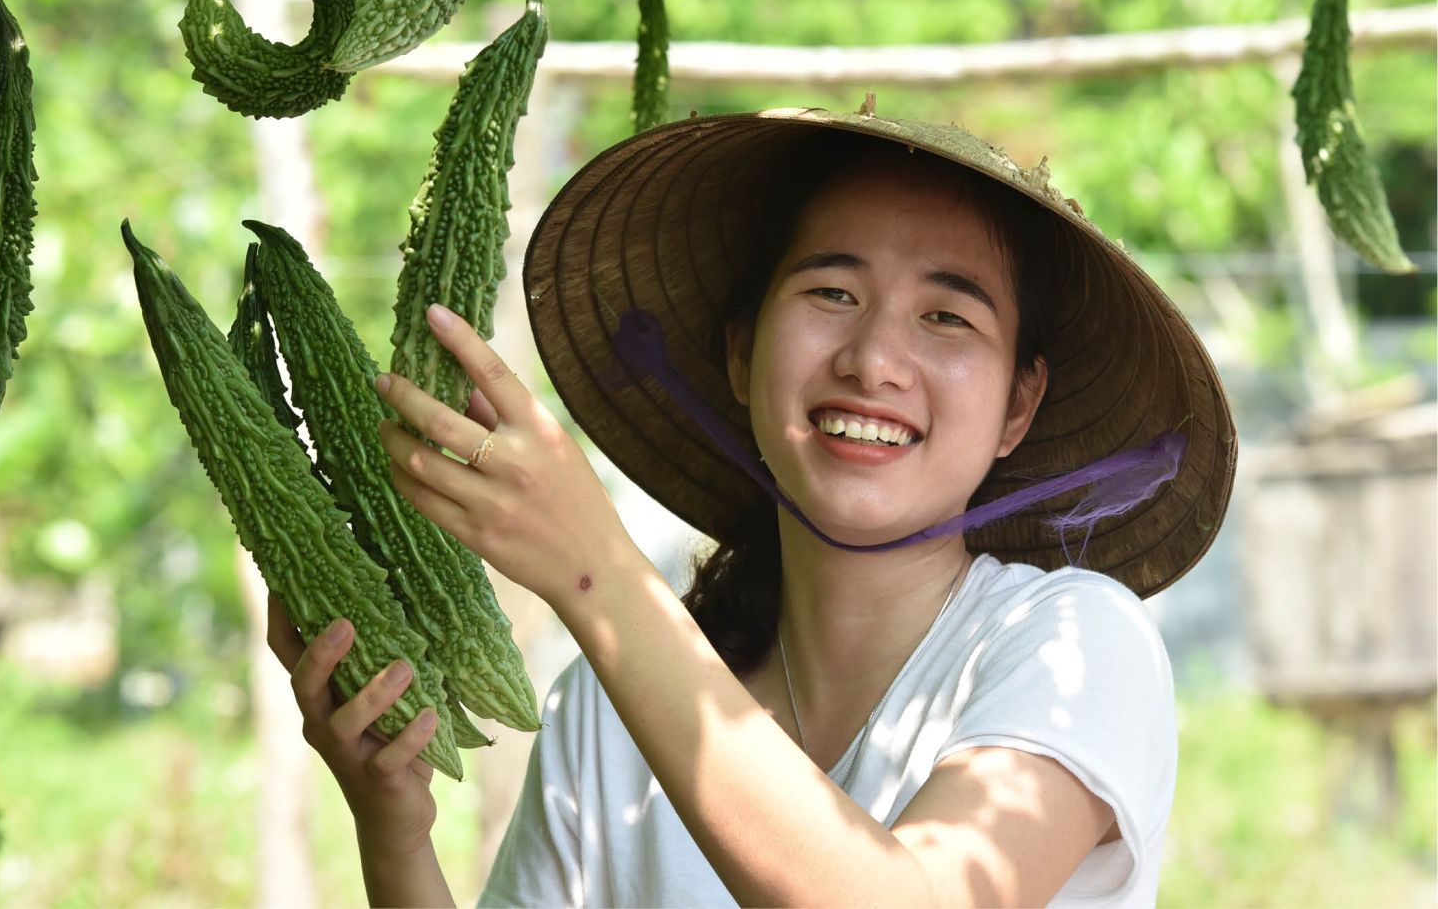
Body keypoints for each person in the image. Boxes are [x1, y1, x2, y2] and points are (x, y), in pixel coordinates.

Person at [265, 106, 1236, 908]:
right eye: (831, 291)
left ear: (1018, 405)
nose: (873, 361)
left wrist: (595, 575)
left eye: (946, 315)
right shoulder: (609, 713)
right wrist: (392, 829)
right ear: (740, 352)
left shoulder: (1071, 645)